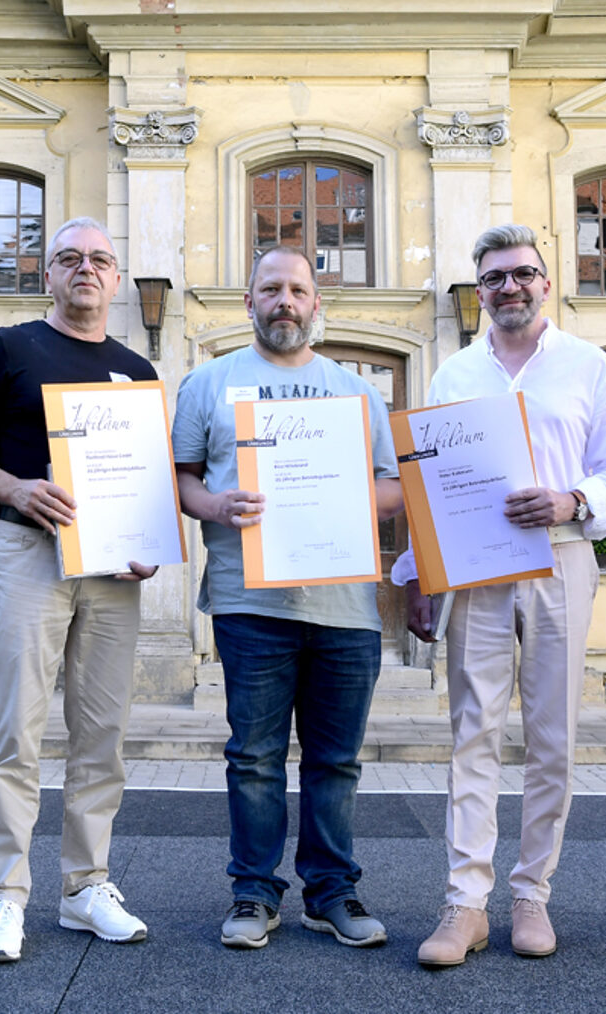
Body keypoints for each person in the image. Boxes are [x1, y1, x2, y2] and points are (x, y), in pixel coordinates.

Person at [394, 225, 606, 967]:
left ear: (546, 280)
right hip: (475, 568)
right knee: (473, 732)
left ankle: (532, 893)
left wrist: (573, 500)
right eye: (495, 278)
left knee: (552, 737)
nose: (511, 287)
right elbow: (429, 487)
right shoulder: (455, 375)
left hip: (563, 558)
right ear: (480, 291)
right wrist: (418, 575)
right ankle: (465, 905)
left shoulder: (589, 367)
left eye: (524, 274)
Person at [0, 217, 159, 964]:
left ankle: (86, 888)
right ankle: (4, 896)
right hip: (27, 553)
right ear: (47, 275)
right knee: (16, 731)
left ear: (116, 280)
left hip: (111, 573)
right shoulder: (10, 348)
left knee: (101, 736)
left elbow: (145, 480)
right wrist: (16, 489)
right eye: (69, 259)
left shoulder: (136, 369)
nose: (85, 269)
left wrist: (144, 544)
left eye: (100, 260)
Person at [170, 245, 404, 950]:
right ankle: (253, 894)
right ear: (248, 303)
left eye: (298, 289)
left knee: (336, 761)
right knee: (254, 757)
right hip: (249, 604)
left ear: (316, 304)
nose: (284, 301)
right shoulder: (208, 384)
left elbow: (394, 488)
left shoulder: (356, 391)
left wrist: (341, 496)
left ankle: (331, 891)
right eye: (269, 289)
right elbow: (180, 480)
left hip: (346, 610)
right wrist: (215, 506)